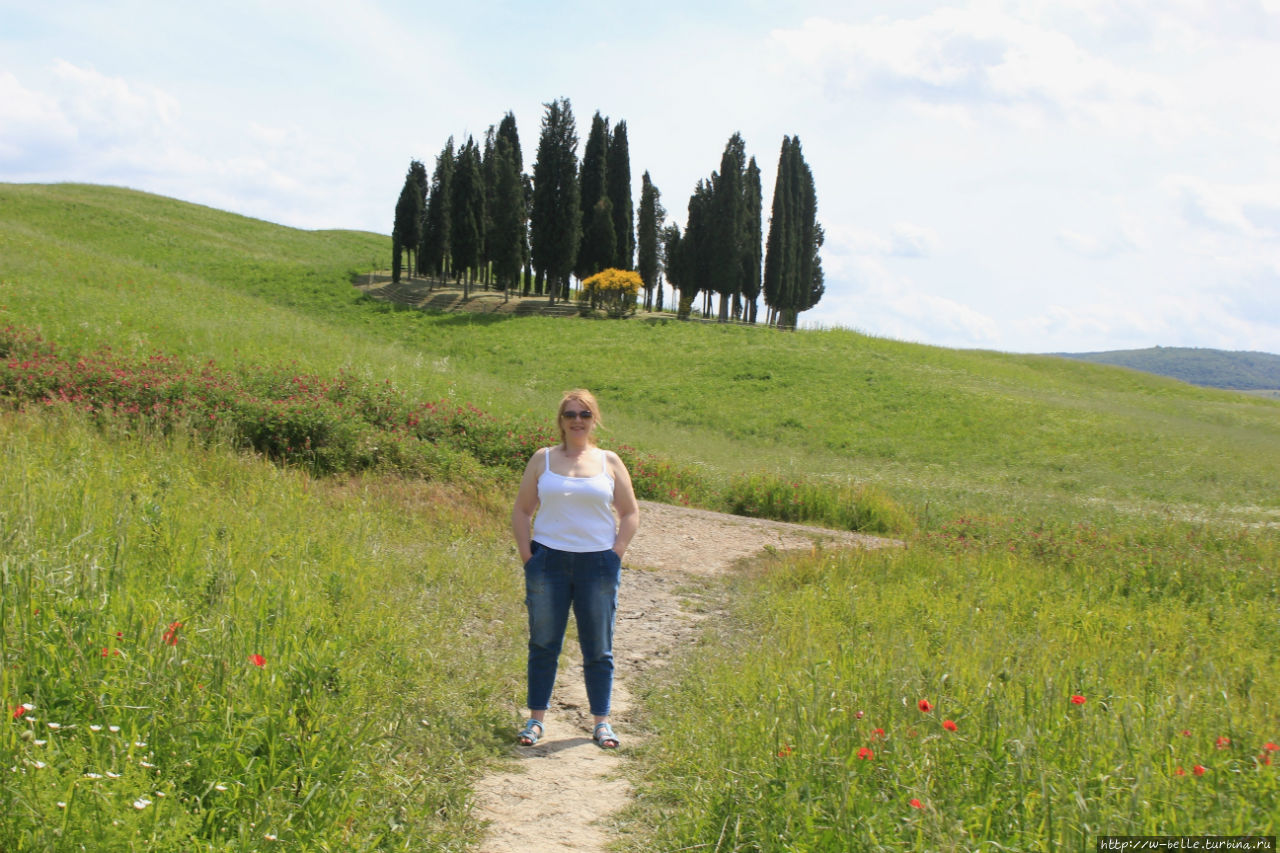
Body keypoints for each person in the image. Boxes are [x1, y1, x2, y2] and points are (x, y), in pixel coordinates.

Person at [510, 389, 640, 749]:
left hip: (597, 564)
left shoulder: (609, 461)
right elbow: (521, 511)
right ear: (561, 420)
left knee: (598, 647)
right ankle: (535, 720)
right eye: (570, 414)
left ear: (594, 418)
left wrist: (616, 553)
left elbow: (630, 513)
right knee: (543, 643)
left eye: (584, 414)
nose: (577, 420)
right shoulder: (543, 460)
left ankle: (602, 722)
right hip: (548, 562)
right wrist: (528, 557)